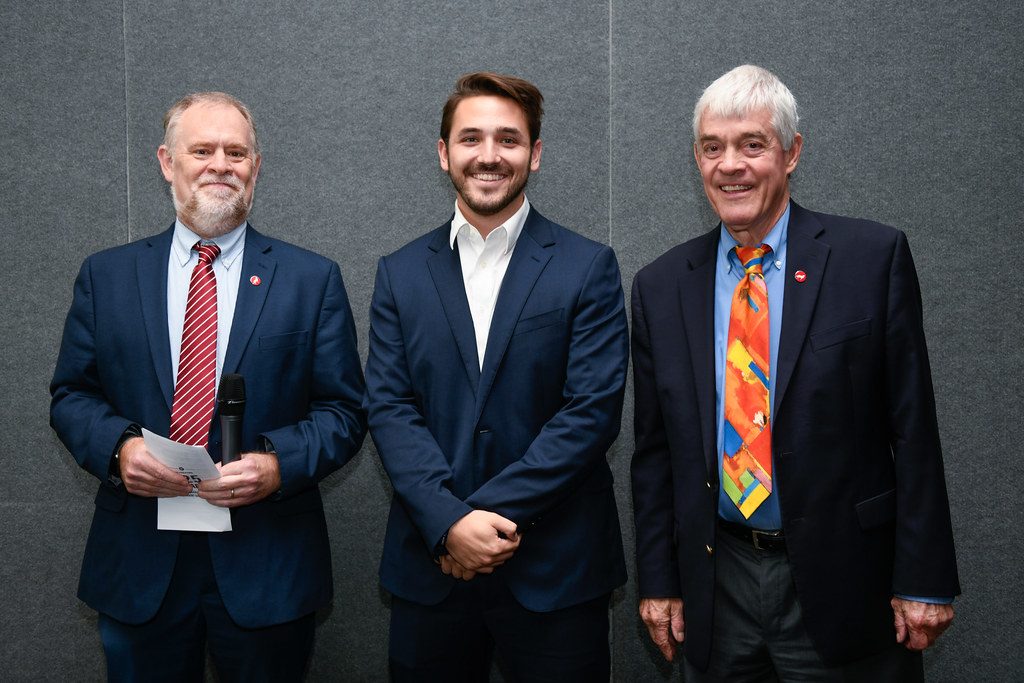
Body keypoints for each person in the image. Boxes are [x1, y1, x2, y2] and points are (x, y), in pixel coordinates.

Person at [630, 65, 959, 681]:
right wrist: (659, 580)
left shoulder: (871, 259)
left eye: (752, 144)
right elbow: (654, 454)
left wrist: (925, 578)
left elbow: (914, 431)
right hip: (716, 585)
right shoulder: (661, 286)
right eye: (712, 147)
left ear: (792, 152)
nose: (731, 164)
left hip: (843, 585)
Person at [50, 91, 366, 681]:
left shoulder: (311, 279)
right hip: (141, 559)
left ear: (256, 167)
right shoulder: (108, 275)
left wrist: (277, 465)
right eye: (203, 150)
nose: (221, 164)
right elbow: (71, 395)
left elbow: (345, 411)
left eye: (236, 152)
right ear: (168, 162)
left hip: (266, 559)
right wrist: (120, 451)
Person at [365, 72, 629, 681]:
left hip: (556, 574)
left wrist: (474, 520)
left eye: (508, 140)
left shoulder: (588, 267)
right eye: (471, 139)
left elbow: (590, 413)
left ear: (535, 154)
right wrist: (448, 524)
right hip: (430, 575)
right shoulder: (400, 274)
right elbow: (389, 408)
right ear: (444, 153)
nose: (489, 156)